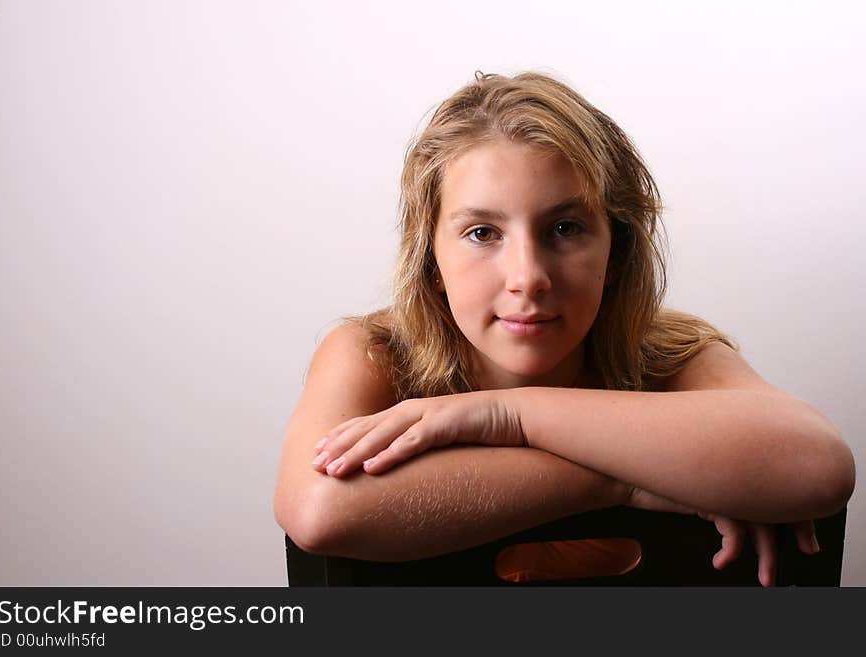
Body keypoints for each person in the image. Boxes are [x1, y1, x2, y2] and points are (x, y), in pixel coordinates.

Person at [274, 71, 855, 586]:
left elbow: (817, 467)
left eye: (566, 228)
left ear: (618, 248)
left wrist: (512, 416)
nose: (528, 277)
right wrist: (619, 485)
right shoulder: (374, 353)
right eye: (482, 233)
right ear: (431, 258)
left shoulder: (669, 352)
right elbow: (320, 511)